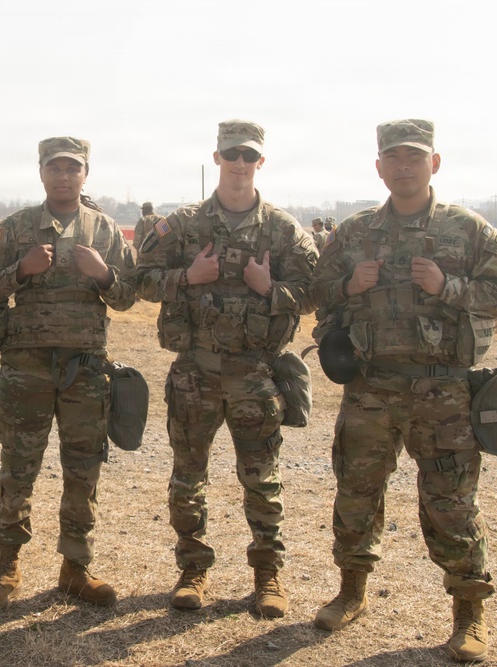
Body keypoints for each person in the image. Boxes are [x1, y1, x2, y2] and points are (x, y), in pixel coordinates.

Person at [309, 119, 497, 662]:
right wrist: (347, 285)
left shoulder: (467, 229)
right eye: (394, 157)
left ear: (435, 163)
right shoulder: (354, 233)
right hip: (370, 388)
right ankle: (350, 592)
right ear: (379, 167)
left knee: (451, 503)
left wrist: (447, 287)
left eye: (415, 156)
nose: (404, 166)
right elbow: (314, 292)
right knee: (356, 495)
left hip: (443, 391)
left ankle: (469, 614)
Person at [136, 120, 318, 617]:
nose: (240, 163)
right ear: (216, 157)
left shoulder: (282, 230)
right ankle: (192, 568)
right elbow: (140, 279)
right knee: (188, 476)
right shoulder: (184, 224)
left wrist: (269, 289)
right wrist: (186, 276)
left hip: (255, 374)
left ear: (262, 162)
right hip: (194, 373)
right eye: (231, 153)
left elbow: (313, 292)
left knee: (262, 478)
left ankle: (267, 575)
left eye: (249, 155)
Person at [0, 136, 137, 612]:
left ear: (86, 173)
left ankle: (76, 568)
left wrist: (104, 274)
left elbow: (129, 296)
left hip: (84, 369)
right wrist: (20, 271)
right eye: (54, 168)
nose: (63, 176)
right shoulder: (17, 226)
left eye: (73, 168)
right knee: (18, 464)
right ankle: (6, 567)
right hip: (26, 368)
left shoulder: (105, 230)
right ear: (41, 172)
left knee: (83, 468)